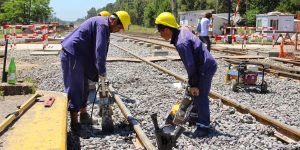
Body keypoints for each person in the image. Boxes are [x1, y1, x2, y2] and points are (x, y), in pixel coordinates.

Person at [60, 11, 131, 135]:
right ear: (114, 21)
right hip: (73, 54)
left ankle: (83, 115)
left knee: (85, 86)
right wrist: (102, 71)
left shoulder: (103, 24)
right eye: (119, 27)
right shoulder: (103, 26)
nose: (118, 30)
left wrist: (98, 70)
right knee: (76, 88)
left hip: (81, 56)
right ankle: (75, 124)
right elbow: (100, 50)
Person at [155, 12, 217, 137]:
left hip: (205, 66)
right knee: (193, 91)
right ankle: (194, 117)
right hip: (202, 64)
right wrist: (192, 83)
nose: (160, 35)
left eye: (160, 32)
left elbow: (190, 65)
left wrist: (194, 84)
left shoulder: (181, 42)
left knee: (200, 95)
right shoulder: (181, 31)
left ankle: (203, 127)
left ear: (167, 30)